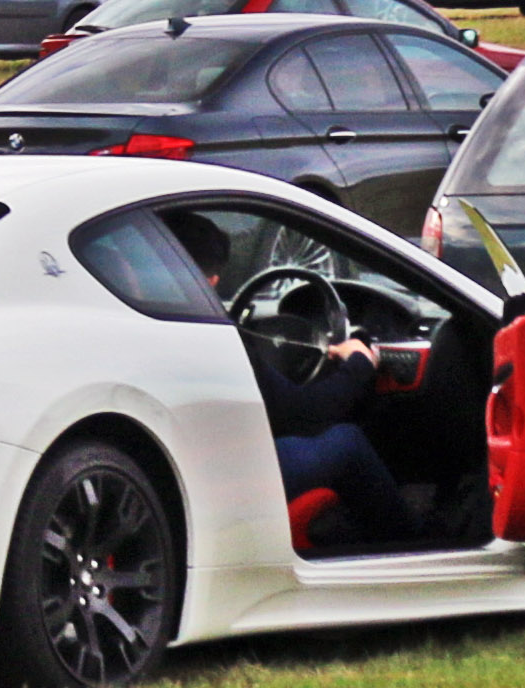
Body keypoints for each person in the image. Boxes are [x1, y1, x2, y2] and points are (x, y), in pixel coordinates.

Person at [164, 212, 423, 544]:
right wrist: (358, 363)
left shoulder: (146, 316)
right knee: (347, 443)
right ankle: (410, 543)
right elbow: (302, 413)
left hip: (183, 468)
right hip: (221, 477)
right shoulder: (209, 335)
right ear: (212, 281)